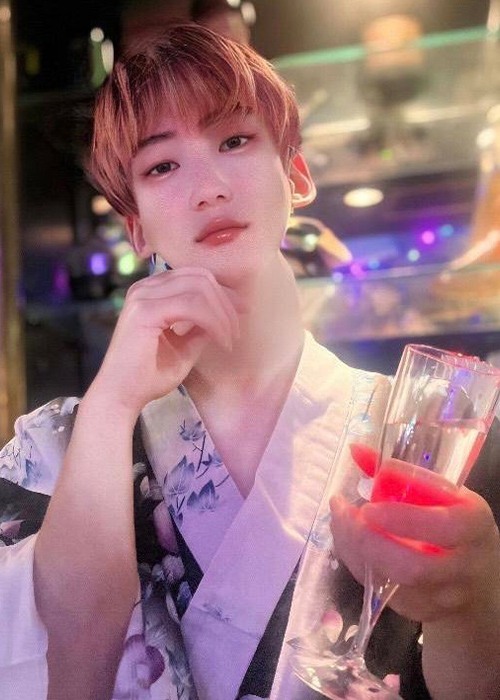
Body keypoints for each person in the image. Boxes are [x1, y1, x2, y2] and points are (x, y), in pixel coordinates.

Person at [1, 22, 499, 700]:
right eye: (161, 166)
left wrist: (473, 606)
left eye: (234, 141)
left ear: (296, 175)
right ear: (137, 226)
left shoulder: (424, 437)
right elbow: (69, 668)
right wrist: (111, 404)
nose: (207, 188)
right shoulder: (51, 448)